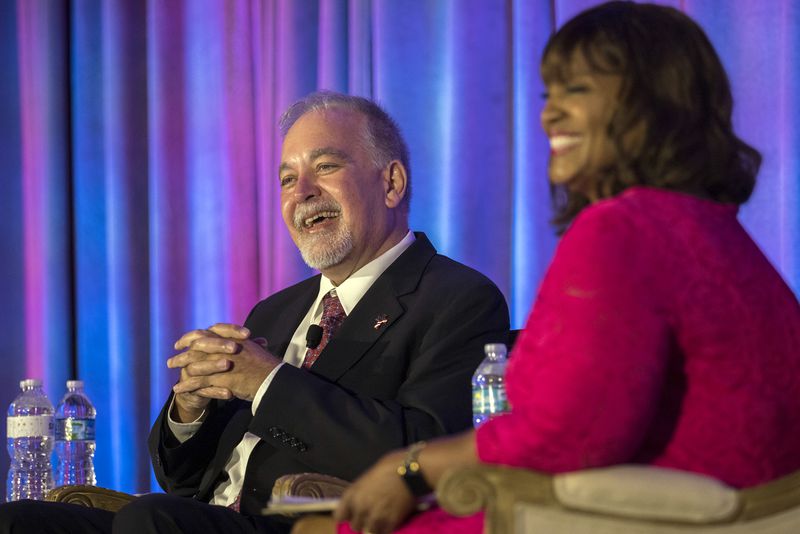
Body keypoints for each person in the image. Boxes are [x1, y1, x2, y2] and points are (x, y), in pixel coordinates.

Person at [295, 3, 800, 534]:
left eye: (576, 91)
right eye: (548, 96)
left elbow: (567, 434)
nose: (549, 115)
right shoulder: (716, 230)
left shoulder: (622, 229)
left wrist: (412, 469)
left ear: (655, 102)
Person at [0, 92, 509, 533]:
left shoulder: (456, 298)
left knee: (151, 521)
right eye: (288, 178)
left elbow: (423, 450)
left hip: (305, 526)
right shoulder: (277, 311)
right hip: (200, 520)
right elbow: (184, 480)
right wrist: (189, 410)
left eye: (326, 167)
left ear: (391, 182)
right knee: (20, 521)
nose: (301, 192)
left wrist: (268, 383)